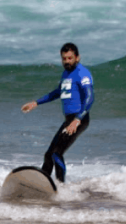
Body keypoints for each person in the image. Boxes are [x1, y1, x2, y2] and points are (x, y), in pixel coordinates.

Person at [21, 42, 94, 183]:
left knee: (57, 153)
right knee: (49, 155)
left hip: (79, 118)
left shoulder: (83, 73)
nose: (66, 61)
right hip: (69, 120)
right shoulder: (66, 73)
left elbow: (90, 98)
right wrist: (36, 102)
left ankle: (61, 187)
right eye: (64, 58)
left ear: (77, 57)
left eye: (70, 58)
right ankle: (43, 184)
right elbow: (58, 92)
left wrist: (77, 120)